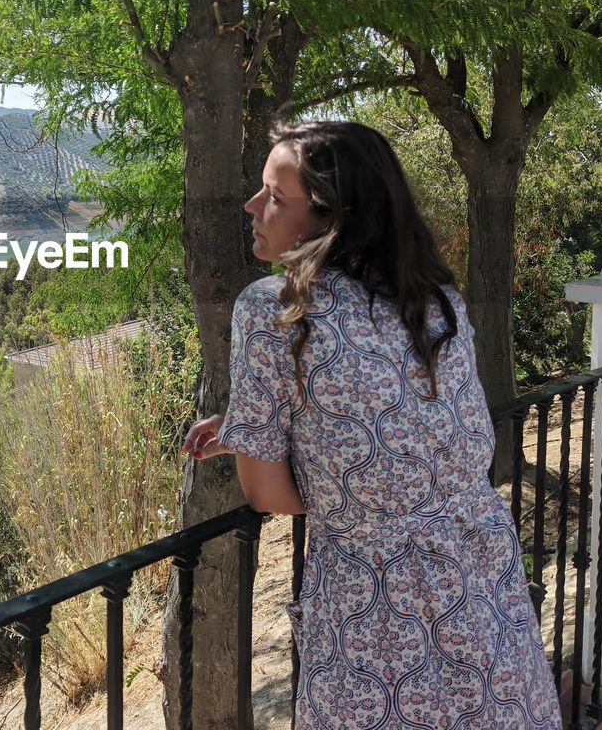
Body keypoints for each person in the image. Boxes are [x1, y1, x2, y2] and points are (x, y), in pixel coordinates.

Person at [183, 122, 561, 729]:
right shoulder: (435, 300)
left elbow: (267, 494)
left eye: (276, 197)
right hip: (481, 573)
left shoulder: (272, 311)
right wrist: (256, 423)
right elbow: (408, 421)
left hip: (377, 603)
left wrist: (341, 487)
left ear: (334, 217)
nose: (253, 207)